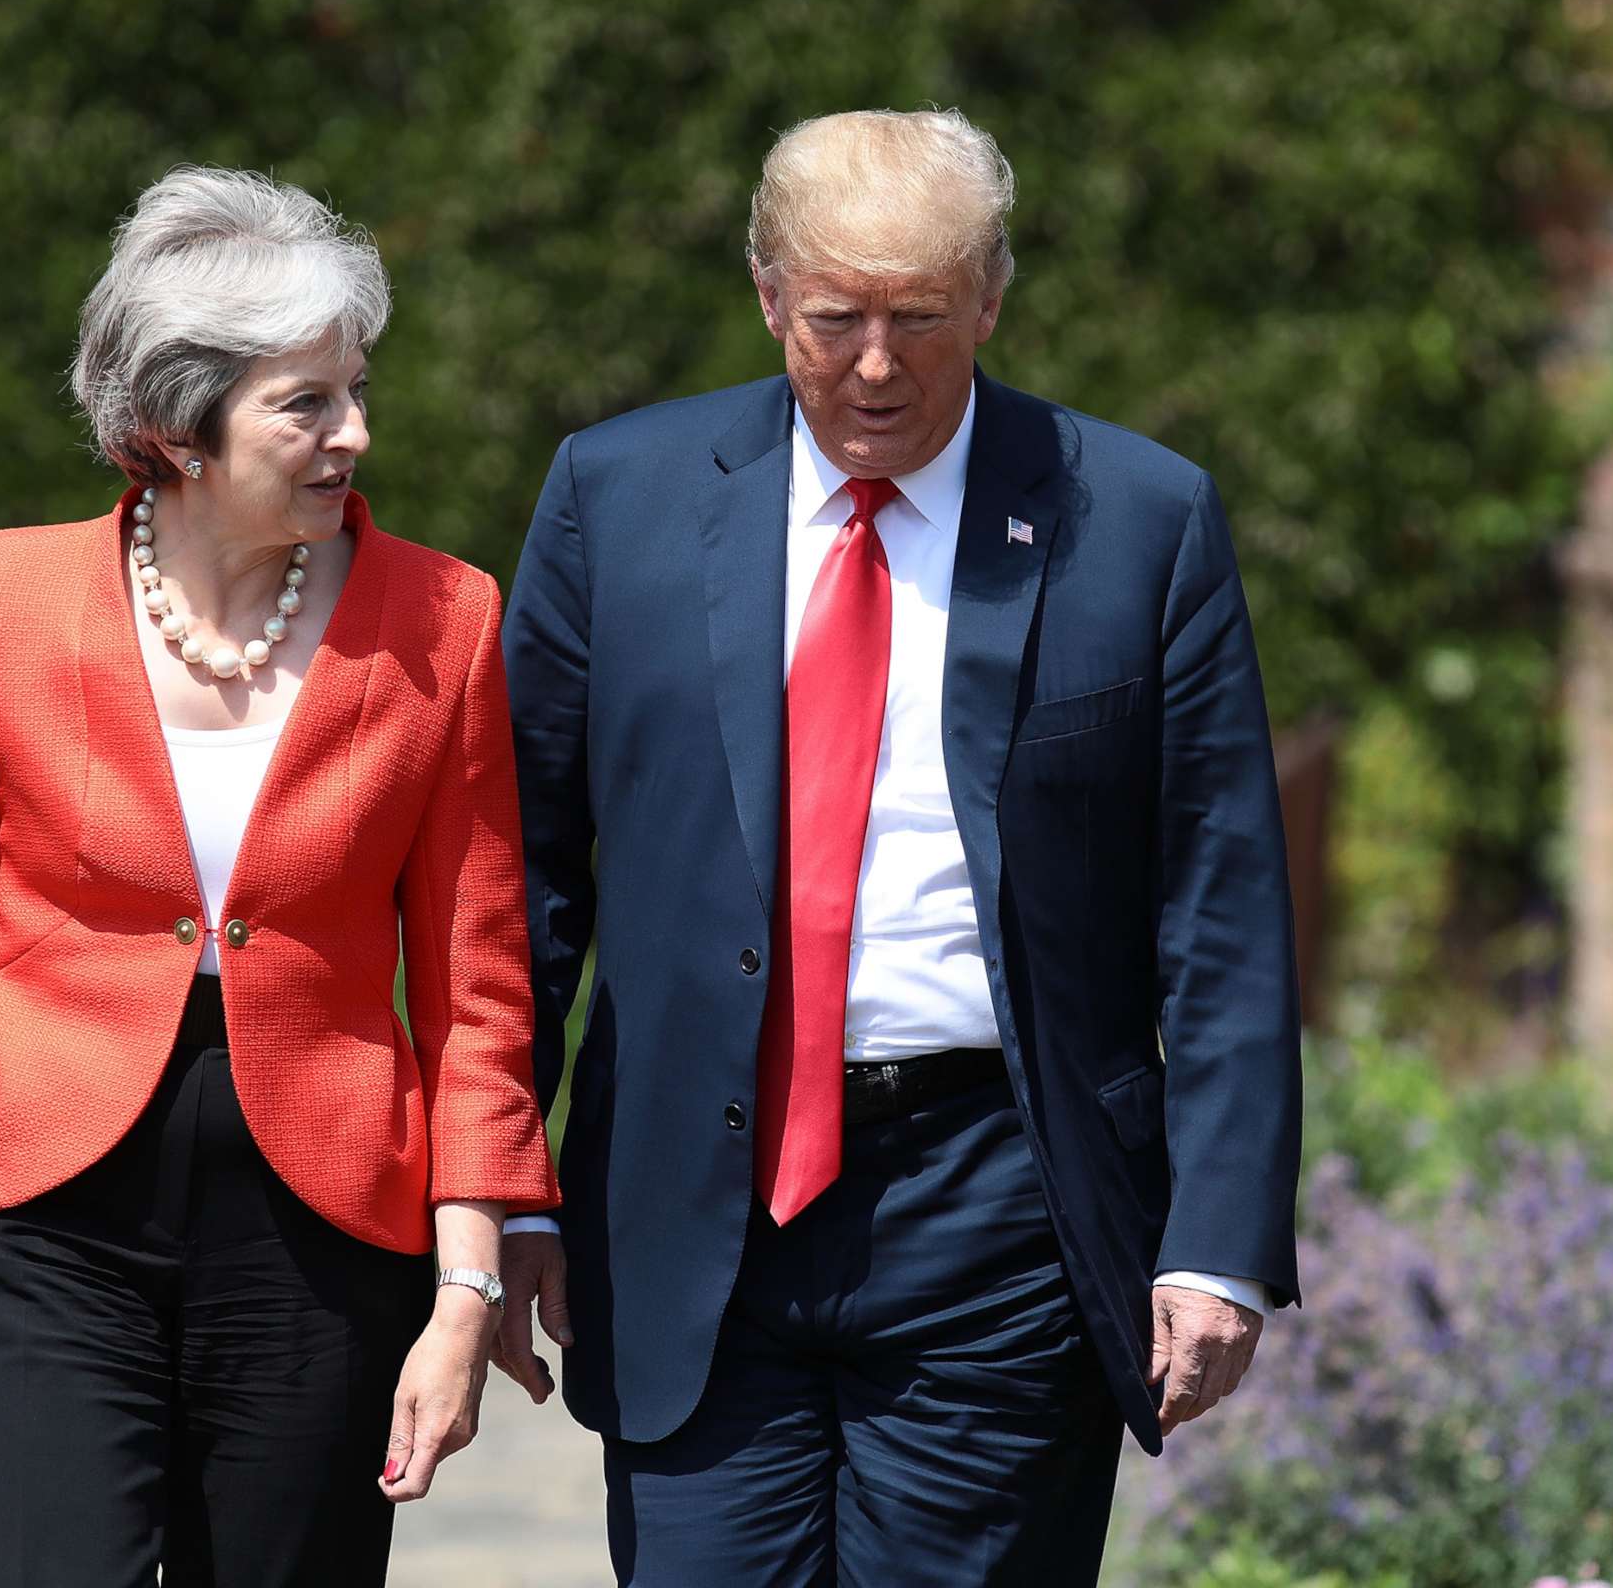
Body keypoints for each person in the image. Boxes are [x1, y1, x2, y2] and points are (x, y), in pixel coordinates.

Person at [496, 109, 1303, 1584]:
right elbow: (522, 884)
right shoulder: (617, 500)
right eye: (836, 319)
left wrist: (1216, 1240)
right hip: (689, 1206)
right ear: (764, 294)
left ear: (991, 297)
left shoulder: (1136, 520)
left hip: (999, 1205)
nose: (877, 365)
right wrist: (500, 1185)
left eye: (922, 319)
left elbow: (1222, 908)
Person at [0, 166, 556, 1586]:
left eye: (356, 390)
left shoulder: (448, 621)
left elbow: (476, 996)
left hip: (321, 1228)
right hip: (37, 1217)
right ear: (177, 428)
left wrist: (465, 1287)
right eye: (305, 404)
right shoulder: (1, 602)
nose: (354, 435)